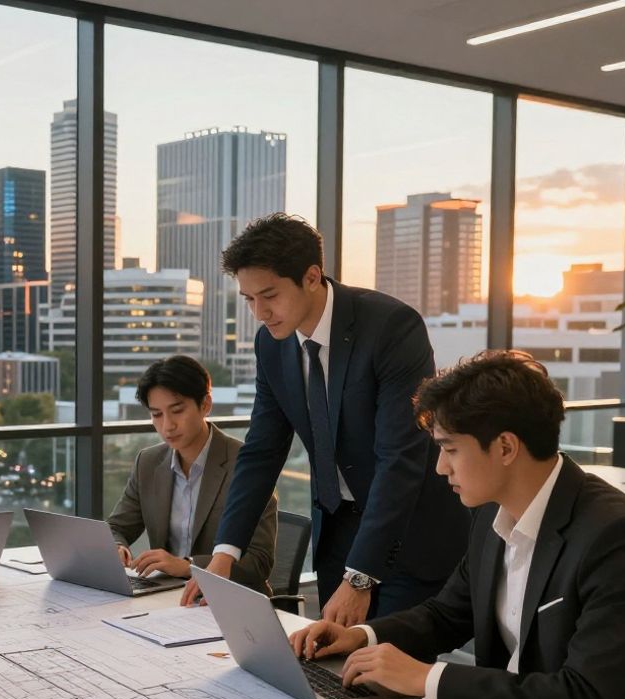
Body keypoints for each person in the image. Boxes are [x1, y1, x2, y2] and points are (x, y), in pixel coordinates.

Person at [289, 351, 625, 699]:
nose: (439, 468)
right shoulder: (492, 514)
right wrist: (361, 636)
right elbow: (446, 615)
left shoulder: (617, 537)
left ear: (506, 447)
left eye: (450, 450)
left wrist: (427, 678)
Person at [187, 213, 467, 625]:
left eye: (269, 295)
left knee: (383, 667)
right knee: (334, 667)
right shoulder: (272, 343)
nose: (259, 313)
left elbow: (400, 458)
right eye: (248, 299)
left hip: (406, 533)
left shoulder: (391, 326)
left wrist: (361, 580)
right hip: (337, 532)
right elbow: (262, 450)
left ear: (312, 276)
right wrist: (225, 553)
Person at [107, 355, 278, 596]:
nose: (167, 426)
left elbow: (259, 563)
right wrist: (117, 546)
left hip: (232, 601)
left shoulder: (246, 464)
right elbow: (116, 526)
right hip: (167, 597)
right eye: (157, 414)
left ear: (205, 405)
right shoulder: (148, 462)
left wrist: (189, 566)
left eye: (177, 411)